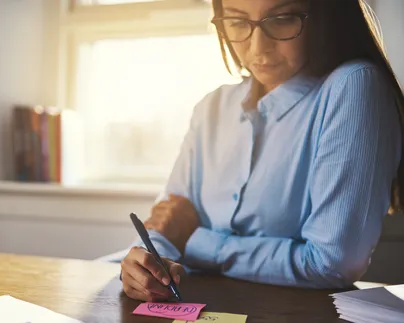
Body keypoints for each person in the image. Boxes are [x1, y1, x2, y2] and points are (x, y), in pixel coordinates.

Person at [119, 0, 404, 302]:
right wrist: (147, 263)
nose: (258, 48)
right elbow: (167, 225)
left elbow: (332, 264)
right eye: (238, 22)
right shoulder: (212, 106)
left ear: (324, 15)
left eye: (281, 19)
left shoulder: (353, 85)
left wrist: (193, 240)